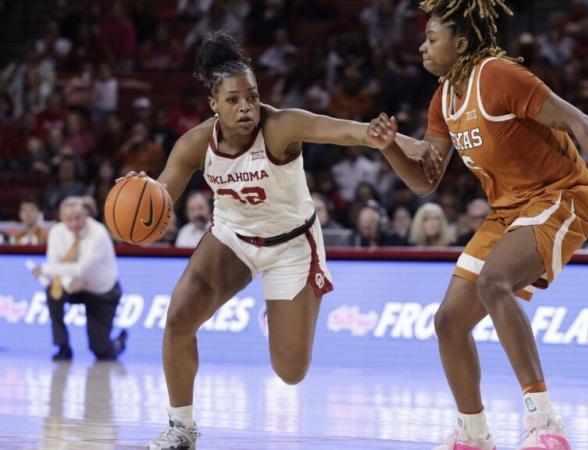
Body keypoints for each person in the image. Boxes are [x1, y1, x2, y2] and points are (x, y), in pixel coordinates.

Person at [365, 1, 588, 449]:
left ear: (461, 42)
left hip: (560, 195)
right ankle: (473, 435)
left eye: (431, 38)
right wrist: (391, 147)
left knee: (494, 282)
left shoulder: (498, 76)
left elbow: (579, 122)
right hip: (507, 210)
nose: (422, 47)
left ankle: (544, 422)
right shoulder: (443, 98)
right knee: (449, 322)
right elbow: (425, 183)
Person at [118, 32, 400, 450]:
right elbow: (159, 202)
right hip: (232, 237)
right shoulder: (195, 144)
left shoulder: (280, 125)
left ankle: (282, 315)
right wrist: (142, 204)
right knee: (178, 319)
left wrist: (391, 138)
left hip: (291, 245)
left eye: (251, 95)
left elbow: (350, 132)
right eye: (233, 99)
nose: (246, 106)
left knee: (291, 372)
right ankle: (181, 427)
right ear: (214, 104)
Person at [30, 197, 127, 361]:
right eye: (69, 219)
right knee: (53, 292)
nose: (74, 223)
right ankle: (62, 346)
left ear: (86, 214)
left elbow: (80, 268)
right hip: (74, 286)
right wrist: (68, 283)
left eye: (78, 218)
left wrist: (44, 269)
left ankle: (119, 344)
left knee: (100, 350)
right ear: (61, 217)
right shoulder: (56, 232)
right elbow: (56, 264)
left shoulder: (99, 233)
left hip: (102, 290)